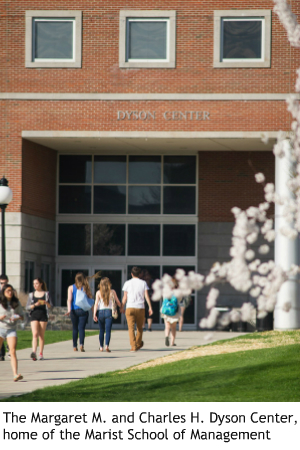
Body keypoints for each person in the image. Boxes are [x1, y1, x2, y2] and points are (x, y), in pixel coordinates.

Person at [122, 266, 153, 352]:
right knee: (140, 327)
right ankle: (138, 343)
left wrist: (121, 307)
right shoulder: (143, 283)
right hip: (140, 307)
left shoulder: (127, 283)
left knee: (131, 328)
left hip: (130, 307)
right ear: (139, 274)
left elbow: (125, 297)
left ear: (131, 274)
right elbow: (146, 296)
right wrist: (150, 307)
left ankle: (133, 346)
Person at [0, 284, 24, 381]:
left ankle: (15, 374)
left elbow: (22, 316)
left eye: (11, 291)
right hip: (0, 327)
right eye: (7, 291)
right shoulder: (0, 302)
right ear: (3, 292)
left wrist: (18, 317)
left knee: (12, 351)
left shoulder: (16, 302)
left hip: (11, 329)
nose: (10, 293)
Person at [26, 278, 53, 361]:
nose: (35, 285)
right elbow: (27, 307)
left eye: (37, 283)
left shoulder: (46, 294)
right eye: (34, 284)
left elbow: (51, 307)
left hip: (43, 315)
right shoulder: (31, 295)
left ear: (41, 284)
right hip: (34, 315)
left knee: (41, 335)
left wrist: (46, 303)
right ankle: (34, 352)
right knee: (35, 334)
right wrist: (34, 304)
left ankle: (40, 353)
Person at [93, 277, 122, 352]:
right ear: (109, 284)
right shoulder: (112, 292)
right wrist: (121, 307)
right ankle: (107, 346)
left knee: (101, 330)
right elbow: (118, 302)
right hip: (109, 312)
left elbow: (96, 304)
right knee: (108, 330)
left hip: (101, 312)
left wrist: (94, 314)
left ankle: (101, 347)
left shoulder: (98, 292)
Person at [66, 272, 92, 352]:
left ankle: (74, 346)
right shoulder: (85, 287)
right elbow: (90, 298)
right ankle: (81, 344)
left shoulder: (71, 287)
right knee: (81, 328)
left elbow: (69, 300)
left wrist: (69, 310)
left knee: (75, 328)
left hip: (74, 310)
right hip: (83, 310)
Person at [161, 278, 180, 347]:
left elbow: (163, 300)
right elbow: (179, 301)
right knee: (174, 327)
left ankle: (166, 336)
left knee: (167, 326)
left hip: (166, 311)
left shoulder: (165, 291)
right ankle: (172, 342)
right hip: (174, 311)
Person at [0, 274, 9, 361]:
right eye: (2, 283)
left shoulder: (10, 292)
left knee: (7, 334)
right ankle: (1, 354)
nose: (3, 285)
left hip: (8, 317)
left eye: (5, 283)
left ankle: (9, 346)